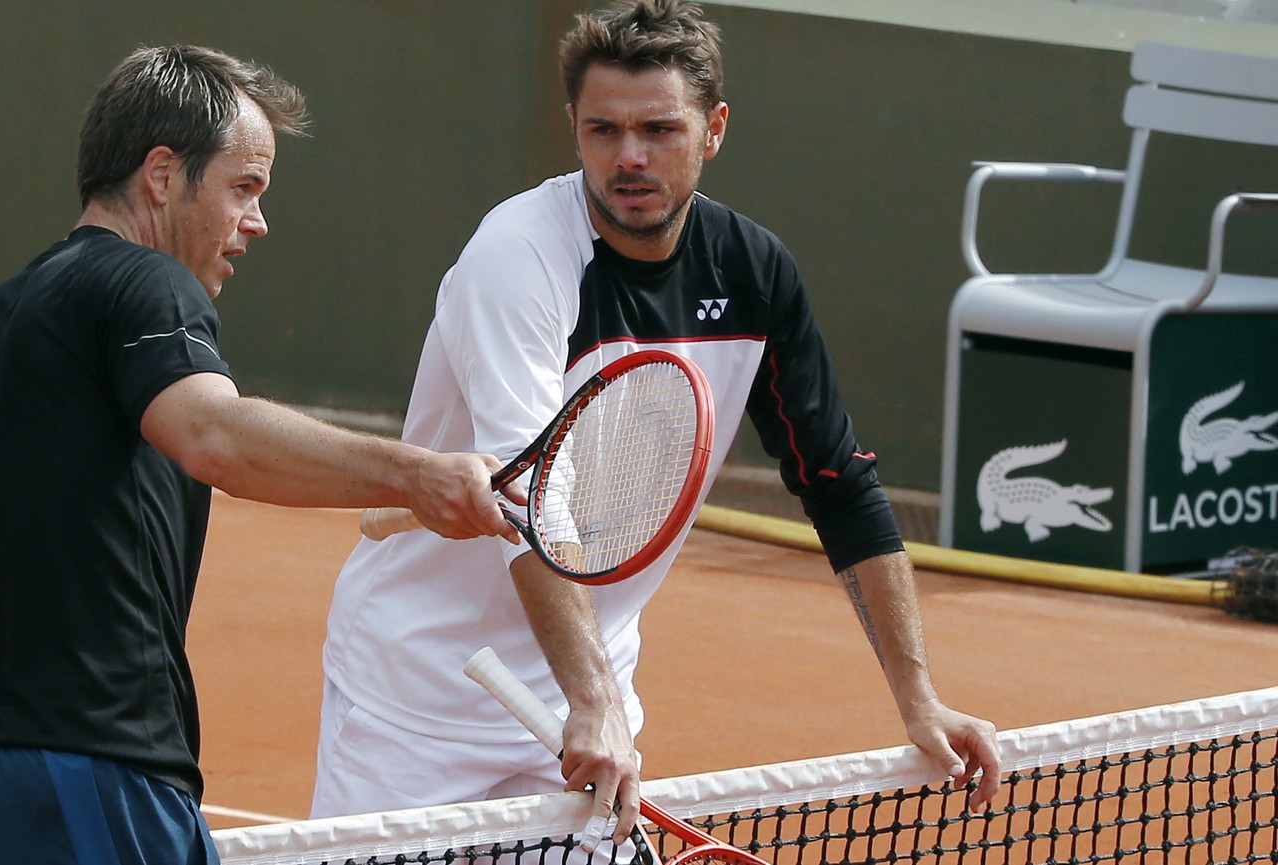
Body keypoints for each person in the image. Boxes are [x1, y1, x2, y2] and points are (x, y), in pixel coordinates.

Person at [310, 0, 1002, 848]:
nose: (628, 157)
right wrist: (591, 700)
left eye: (658, 130)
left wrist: (917, 695)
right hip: (416, 702)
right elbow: (533, 499)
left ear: (713, 129)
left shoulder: (753, 273)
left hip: (590, 706)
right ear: (573, 127)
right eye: (602, 130)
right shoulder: (518, 255)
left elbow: (838, 482)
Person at [0, 44, 519, 865]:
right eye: (244, 187)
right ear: (161, 174)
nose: (256, 221)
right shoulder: (147, 284)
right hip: (99, 781)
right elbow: (212, 434)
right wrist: (420, 472)